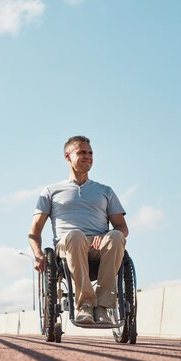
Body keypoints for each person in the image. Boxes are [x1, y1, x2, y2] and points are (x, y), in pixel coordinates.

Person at [28, 135, 129, 325]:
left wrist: (104, 235)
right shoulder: (51, 190)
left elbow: (122, 227)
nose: (88, 156)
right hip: (68, 245)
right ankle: (85, 306)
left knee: (116, 236)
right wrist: (38, 254)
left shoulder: (105, 191)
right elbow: (34, 231)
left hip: (100, 245)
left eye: (90, 153)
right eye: (82, 152)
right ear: (67, 157)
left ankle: (104, 307)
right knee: (75, 235)